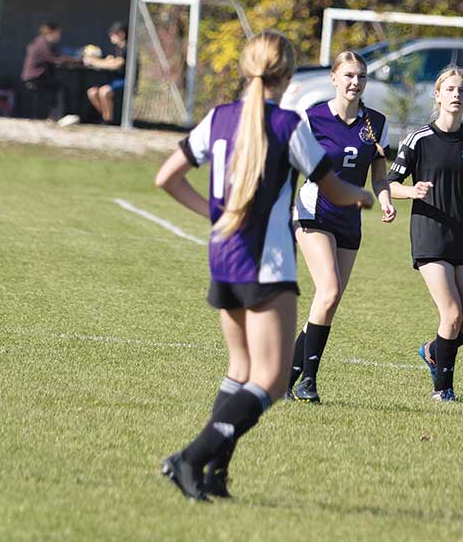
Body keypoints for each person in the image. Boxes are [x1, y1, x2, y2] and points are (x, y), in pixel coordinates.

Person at [155, 31, 374, 501]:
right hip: (267, 263)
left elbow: (166, 177)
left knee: (240, 369)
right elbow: (333, 188)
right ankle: (190, 458)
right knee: (272, 381)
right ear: (289, 75)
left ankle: (213, 474)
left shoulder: (217, 117)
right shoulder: (288, 125)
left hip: (223, 257)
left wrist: (215, 215)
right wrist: (362, 195)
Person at [287, 51, 397, 402]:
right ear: (334, 78)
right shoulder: (313, 117)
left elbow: (380, 176)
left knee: (328, 301)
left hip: (350, 218)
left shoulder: (376, 123)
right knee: (329, 291)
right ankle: (309, 382)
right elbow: (289, 164)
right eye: (348, 75)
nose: (355, 82)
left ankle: (284, 378)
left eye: (361, 77)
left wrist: (385, 199)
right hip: (313, 212)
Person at [388, 66, 463, 402]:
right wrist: (411, 192)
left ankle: (434, 351)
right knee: (451, 314)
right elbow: (389, 184)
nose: (455, 95)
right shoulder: (418, 139)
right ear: (437, 95)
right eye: (449, 89)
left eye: (461, 91)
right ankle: (443, 391)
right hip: (430, 234)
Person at [20, 22, 70, 120]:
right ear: (51, 32)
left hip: (37, 76)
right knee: (60, 88)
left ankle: (52, 115)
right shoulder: (42, 44)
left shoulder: (39, 42)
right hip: (36, 77)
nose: (59, 36)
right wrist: (80, 60)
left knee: (56, 86)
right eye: (58, 33)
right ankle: (56, 115)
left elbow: (56, 56)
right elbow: (55, 59)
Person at [84, 22, 127, 124]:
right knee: (92, 93)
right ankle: (106, 118)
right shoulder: (117, 48)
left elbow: (117, 64)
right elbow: (110, 60)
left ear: (122, 34)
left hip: (124, 81)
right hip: (114, 81)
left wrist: (94, 62)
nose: (111, 36)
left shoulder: (127, 48)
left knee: (104, 91)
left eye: (113, 34)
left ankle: (108, 122)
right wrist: (95, 60)